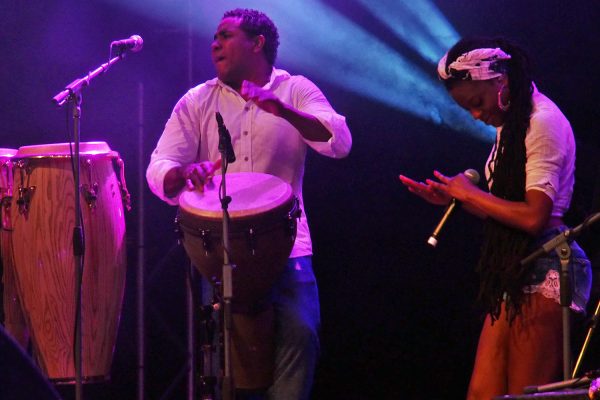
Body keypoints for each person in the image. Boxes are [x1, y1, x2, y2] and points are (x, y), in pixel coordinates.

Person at [146, 8, 352, 400]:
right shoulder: (197, 101)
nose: (214, 44)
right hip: (222, 251)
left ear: (257, 43)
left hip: (288, 247)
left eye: (225, 36)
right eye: (214, 37)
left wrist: (281, 109)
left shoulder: (295, 89)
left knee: (301, 336)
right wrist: (183, 174)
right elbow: (160, 167)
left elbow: (339, 141)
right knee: (234, 360)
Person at [399, 37, 591, 399]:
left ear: (499, 79)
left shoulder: (542, 122)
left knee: (522, 393)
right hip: (516, 267)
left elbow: (535, 216)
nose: (476, 115)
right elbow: (506, 211)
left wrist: (471, 194)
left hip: (551, 265)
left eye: (477, 103)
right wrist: (454, 201)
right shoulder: (513, 125)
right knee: (482, 393)